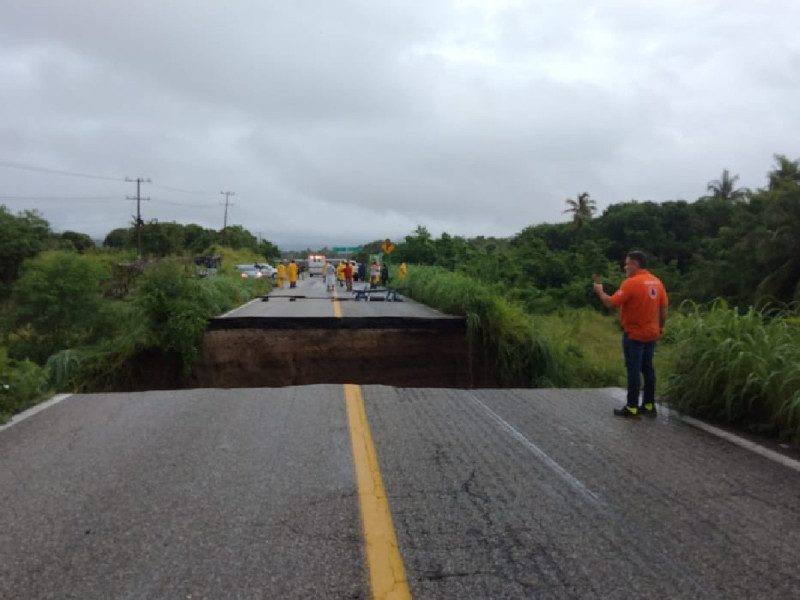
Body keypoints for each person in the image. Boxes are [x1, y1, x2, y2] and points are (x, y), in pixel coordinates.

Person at [593, 250, 668, 418]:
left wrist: (599, 291)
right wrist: (660, 328)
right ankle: (649, 405)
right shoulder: (657, 282)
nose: (625, 267)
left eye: (627, 264)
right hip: (652, 333)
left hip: (634, 335)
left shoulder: (631, 283)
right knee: (648, 369)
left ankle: (632, 407)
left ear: (635, 264)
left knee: (633, 370)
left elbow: (610, 303)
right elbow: (663, 310)